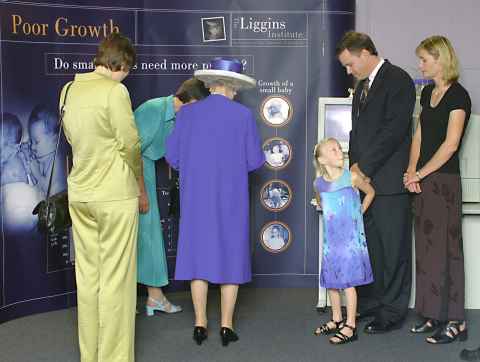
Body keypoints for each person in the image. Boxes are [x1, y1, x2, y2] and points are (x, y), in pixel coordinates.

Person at [165, 57, 265, 346]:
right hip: (231, 197)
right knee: (231, 257)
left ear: (210, 84)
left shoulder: (187, 114)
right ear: (232, 86)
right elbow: (254, 161)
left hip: (196, 197)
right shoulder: (243, 116)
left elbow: (173, 157)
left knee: (198, 258)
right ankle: (226, 325)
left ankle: (199, 323)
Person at [60, 33, 141, 362]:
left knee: (88, 280)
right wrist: (137, 177)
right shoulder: (115, 91)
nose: (127, 77)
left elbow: (71, 137)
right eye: (127, 70)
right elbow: (130, 143)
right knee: (116, 284)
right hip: (114, 195)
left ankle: (89, 356)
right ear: (120, 64)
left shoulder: (67, 89)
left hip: (79, 194)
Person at [336, 31, 416, 333]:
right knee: (370, 250)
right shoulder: (360, 89)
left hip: (389, 183)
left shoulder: (399, 80)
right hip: (363, 182)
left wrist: (363, 169)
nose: (348, 71)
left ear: (365, 53)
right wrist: (352, 171)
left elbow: (393, 131)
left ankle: (392, 312)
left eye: (350, 64)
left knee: (393, 250)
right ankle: (370, 305)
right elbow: (358, 135)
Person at [403, 35, 471, 345]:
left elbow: (450, 144)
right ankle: (431, 313)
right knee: (427, 252)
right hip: (422, 180)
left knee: (448, 252)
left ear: (440, 60)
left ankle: (455, 320)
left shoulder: (459, 96)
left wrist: (421, 172)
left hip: (444, 182)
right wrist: (410, 171)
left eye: (424, 60)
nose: (420, 65)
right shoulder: (427, 92)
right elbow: (418, 135)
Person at [134, 78, 209, 316]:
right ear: (192, 101)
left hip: (143, 169)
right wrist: (141, 192)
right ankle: (139, 300)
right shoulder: (153, 109)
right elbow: (130, 151)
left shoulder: (181, 118)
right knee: (139, 236)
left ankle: (154, 298)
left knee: (148, 235)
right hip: (129, 172)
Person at [313, 137, 375, 344]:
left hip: (350, 240)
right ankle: (336, 318)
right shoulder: (318, 184)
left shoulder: (352, 177)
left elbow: (371, 192)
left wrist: (358, 212)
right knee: (332, 281)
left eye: (339, 148)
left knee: (348, 283)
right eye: (333, 150)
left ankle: (350, 325)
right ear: (322, 160)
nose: (339, 152)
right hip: (331, 241)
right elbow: (323, 204)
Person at [27, 105, 67, 196]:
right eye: (31, 141)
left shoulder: (57, 161)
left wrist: (35, 170)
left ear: (55, 140)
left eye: (36, 142)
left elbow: (47, 188)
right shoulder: (44, 157)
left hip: (58, 205)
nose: (32, 147)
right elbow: (38, 184)